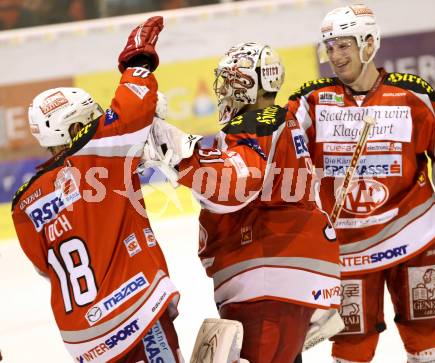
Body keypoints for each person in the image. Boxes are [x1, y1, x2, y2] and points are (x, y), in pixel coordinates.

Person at [143, 42, 341, 363]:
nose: (223, 91)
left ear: (251, 82)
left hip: (267, 274)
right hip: (280, 273)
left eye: (230, 81)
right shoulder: (275, 122)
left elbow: (231, 186)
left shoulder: (257, 121)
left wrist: (171, 142)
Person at [11, 16, 184, 363]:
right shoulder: (96, 153)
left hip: (83, 340)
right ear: (75, 127)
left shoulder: (23, 202)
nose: (98, 122)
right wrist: (137, 60)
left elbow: (44, 267)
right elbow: (134, 106)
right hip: (133, 314)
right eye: (91, 118)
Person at [287, 4, 435, 363]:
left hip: (414, 236)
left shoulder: (412, 95)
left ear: (369, 44)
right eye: (330, 47)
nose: (335, 56)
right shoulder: (311, 100)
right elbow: (274, 148)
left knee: (429, 340)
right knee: (352, 349)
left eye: (344, 45)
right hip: (348, 248)